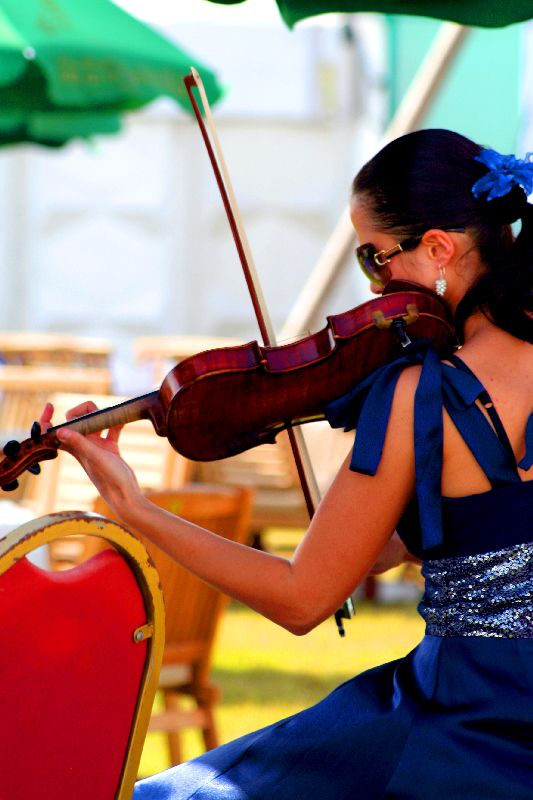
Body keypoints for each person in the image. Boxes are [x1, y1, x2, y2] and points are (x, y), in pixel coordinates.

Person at [41, 129, 533, 798]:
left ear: (439, 248)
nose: (373, 286)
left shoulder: (421, 394)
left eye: (373, 258)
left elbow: (303, 599)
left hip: (463, 720)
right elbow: (488, 529)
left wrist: (134, 506)